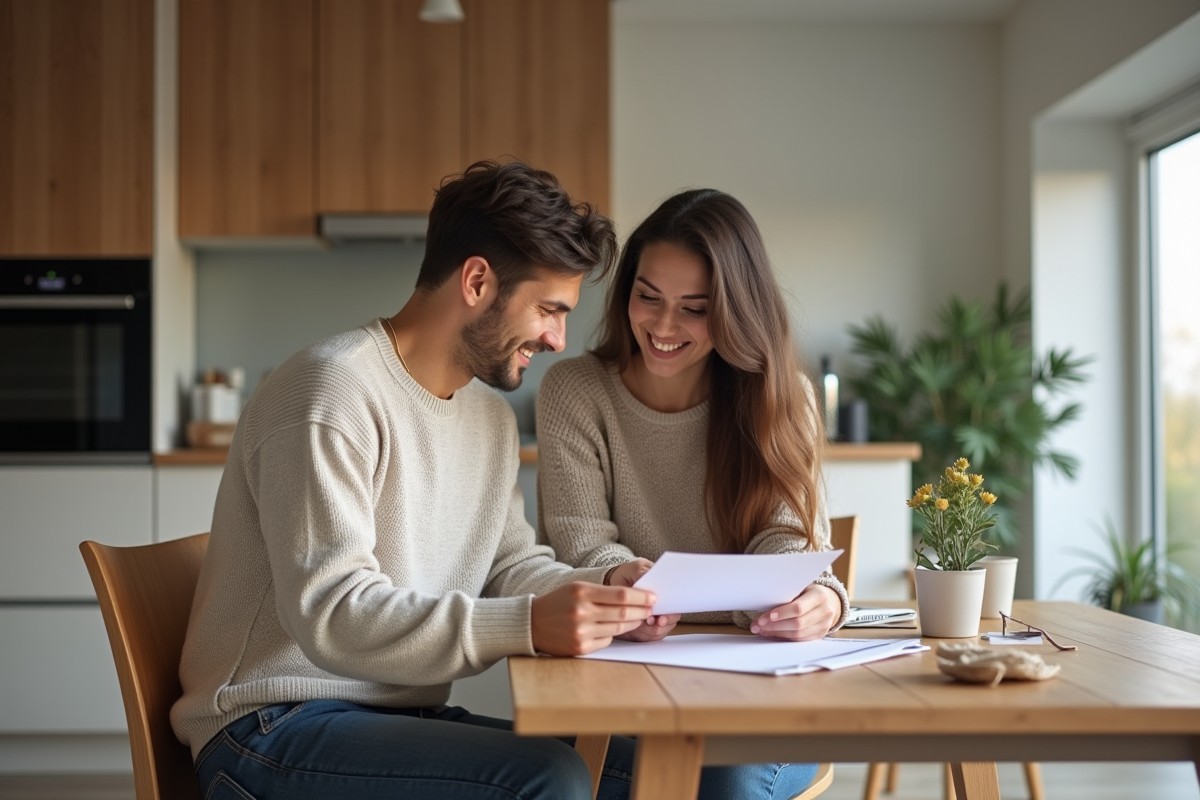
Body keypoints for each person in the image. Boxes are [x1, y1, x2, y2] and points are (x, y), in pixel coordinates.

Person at [171, 161, 669, 800]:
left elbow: (509, 565)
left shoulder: (488, 416)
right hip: (270, 729)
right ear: (478, 280)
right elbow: (333, 611)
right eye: (548, 309)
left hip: (395, 719)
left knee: (653, 771)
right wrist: (526, 625)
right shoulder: (331, 391)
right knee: (553, 779)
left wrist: (604, 586)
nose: (556, 338)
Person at [536, 188, 850, 799]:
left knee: (725, 782)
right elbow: (581, 544)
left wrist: (816, 600)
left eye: (694, 308)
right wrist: (617, 582)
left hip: (762, 693)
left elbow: (788, 537)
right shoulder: (575, 392)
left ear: (736, 312)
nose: (662, 325)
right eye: (648, 296)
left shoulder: (782, 400)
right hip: (626, 687)